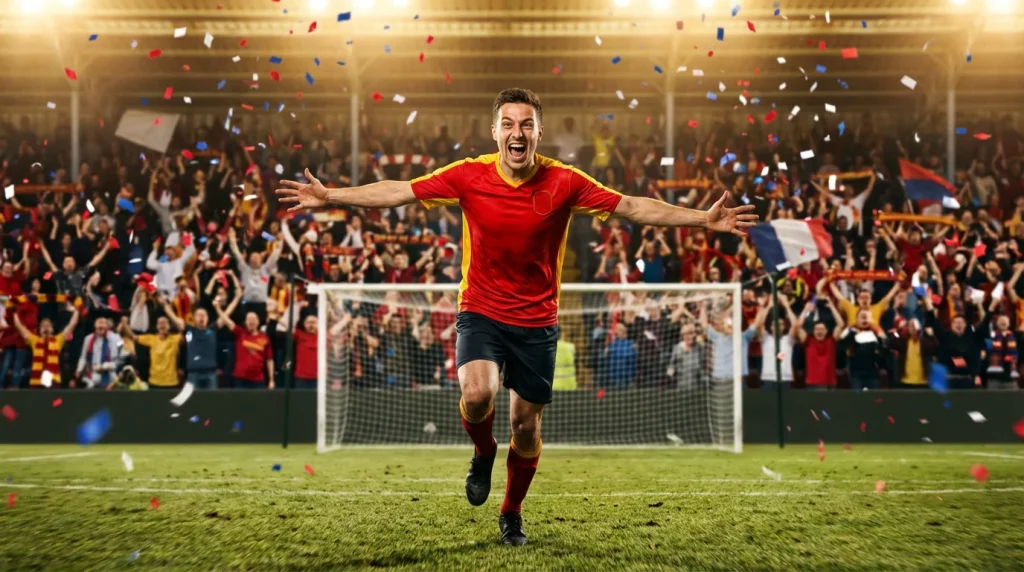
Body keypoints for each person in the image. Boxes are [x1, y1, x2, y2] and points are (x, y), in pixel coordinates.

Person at [276, 87, 757, 546]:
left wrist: (702, 219)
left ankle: (511, 512)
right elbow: (399, 190)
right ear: (495, 131)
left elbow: (630, 206)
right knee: (477, 392)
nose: (517, 132)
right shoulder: (468, 175)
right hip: (480, 309)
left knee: (525, 428)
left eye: (526, 124)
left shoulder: (565, 181)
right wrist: (332, 196)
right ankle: (483, 452)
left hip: (537, 321)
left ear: (539, 132)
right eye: (508, 123)